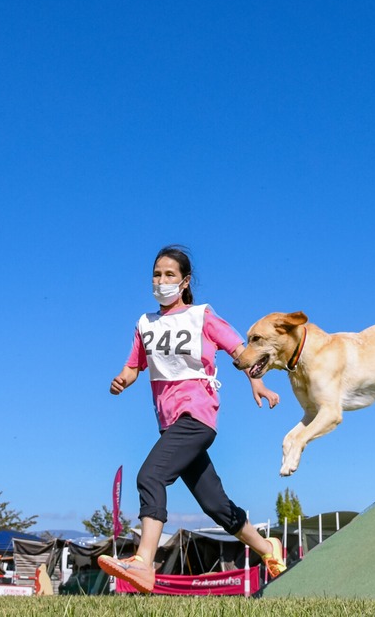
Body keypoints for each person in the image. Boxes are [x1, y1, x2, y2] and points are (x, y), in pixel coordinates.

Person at [97, 245, 287, 594]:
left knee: (150, 476)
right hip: (170, 424)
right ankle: (268, 548)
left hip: (197, 416)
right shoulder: (145, 324)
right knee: (215, 505)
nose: (161, 281)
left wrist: (257, 382)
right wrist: (122, 379)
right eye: (157, 275)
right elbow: (133, 366)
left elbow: (241, 352)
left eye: (169, 275)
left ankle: (143, 563)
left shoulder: (202, 316)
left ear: (184, 282)